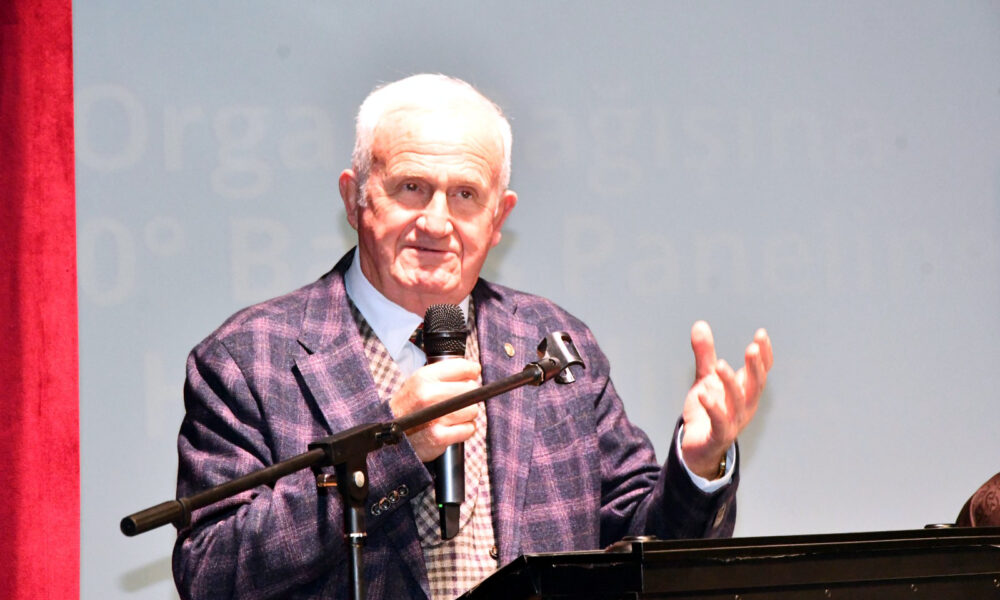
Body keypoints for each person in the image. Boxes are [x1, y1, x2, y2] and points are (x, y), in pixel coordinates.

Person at [172, 74, 774, 600]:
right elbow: (210, 573)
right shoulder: (249, 359)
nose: (437, 222)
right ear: (355, 197)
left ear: (498, 217)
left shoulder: (554, 345)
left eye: (465, 196)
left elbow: (639, 546)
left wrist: (698, 465)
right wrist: (392, 450)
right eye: (412, 187)